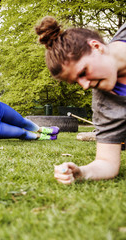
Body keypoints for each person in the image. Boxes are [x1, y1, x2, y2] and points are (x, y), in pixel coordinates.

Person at [35, 16, 126, 184]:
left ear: (96, 47)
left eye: (83, 72)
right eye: (76, 81)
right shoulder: (104, 105)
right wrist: (82, 172)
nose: (85, 86)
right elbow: (107, 162)